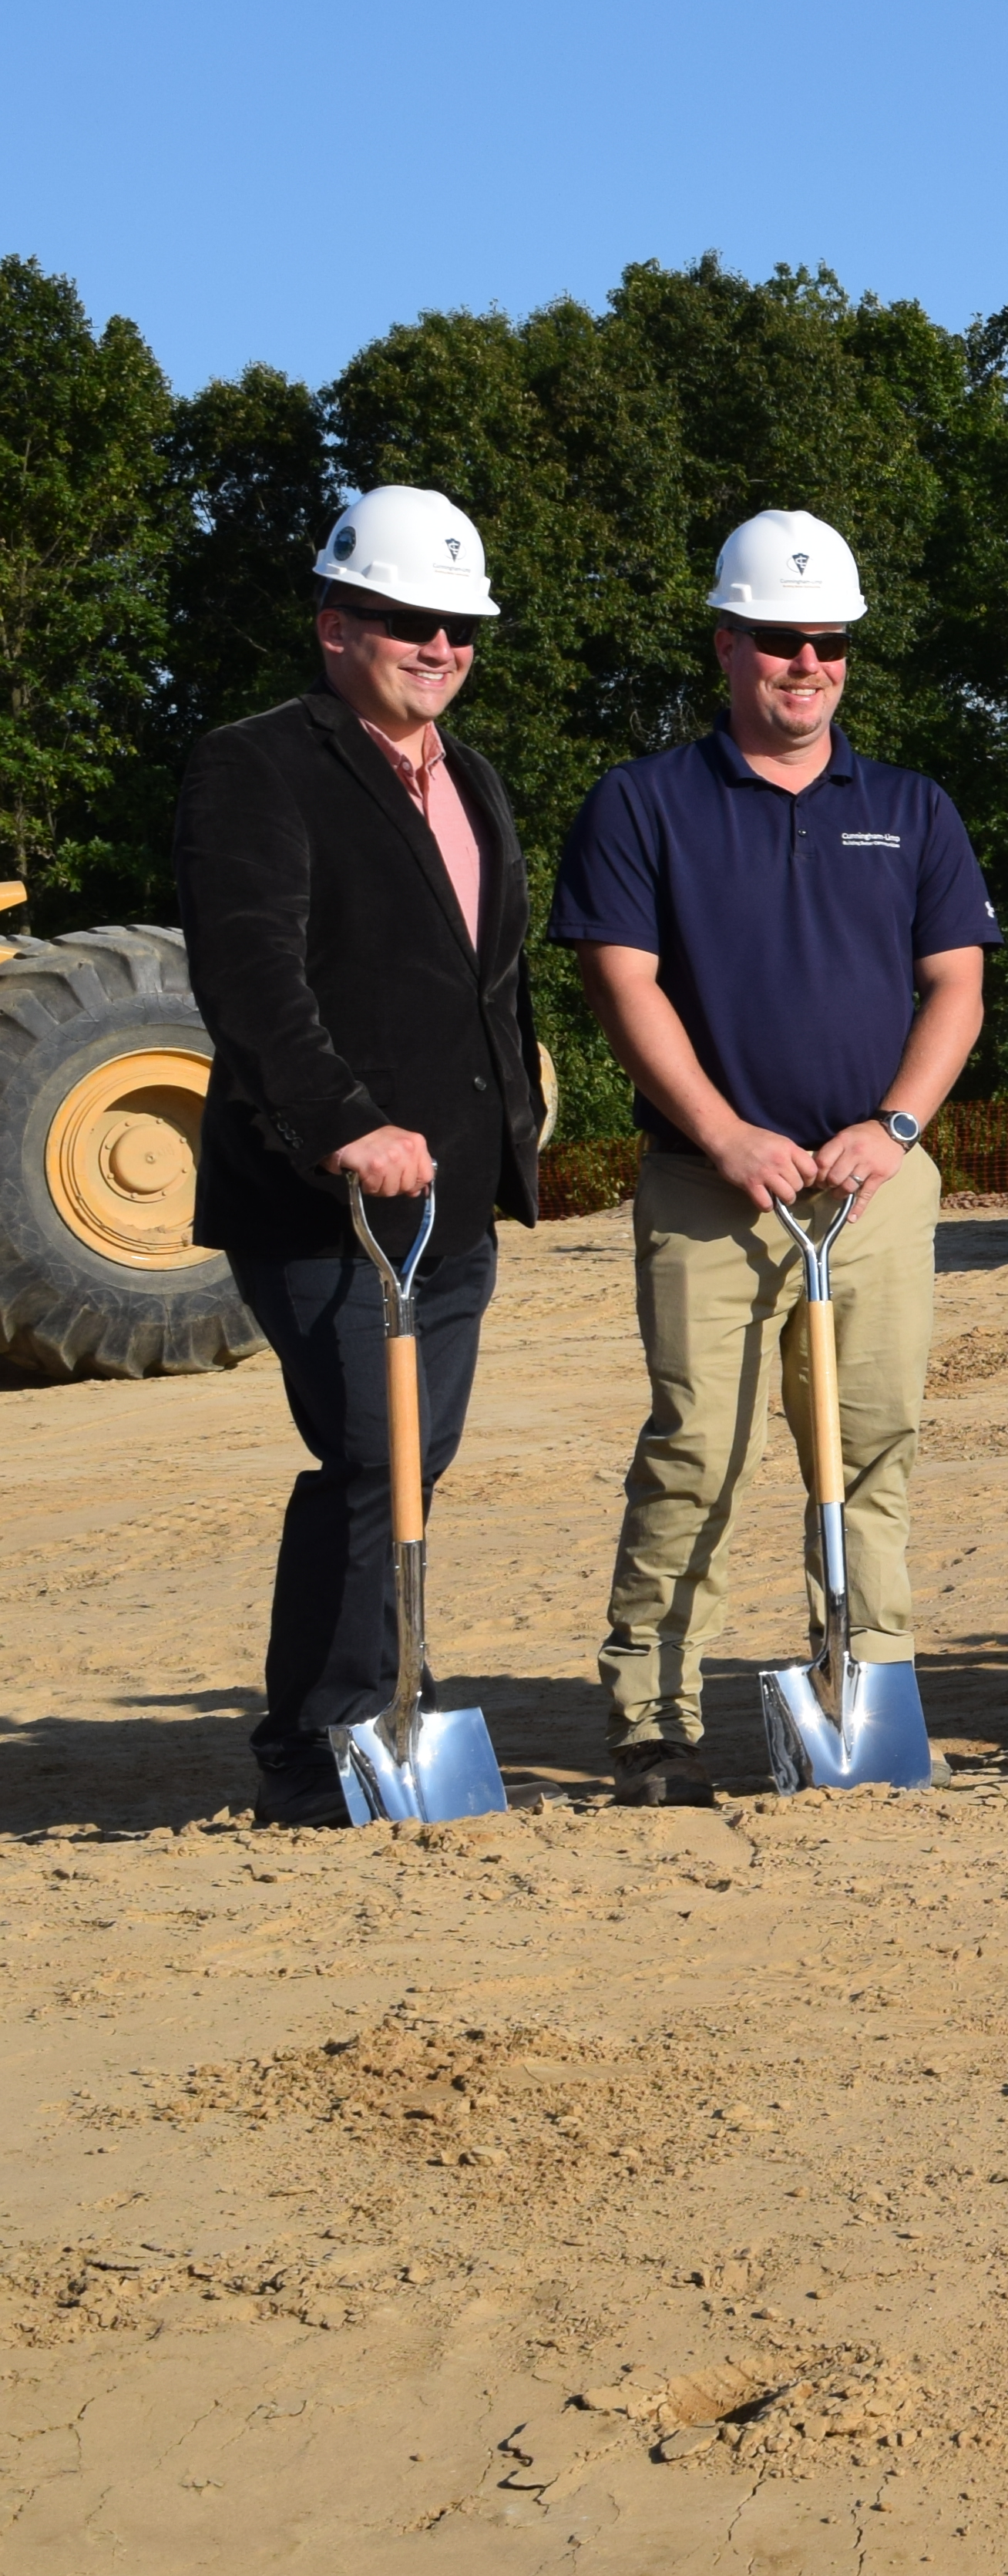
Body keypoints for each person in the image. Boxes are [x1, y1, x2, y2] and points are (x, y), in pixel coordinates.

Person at [549, 511, 996, 1806]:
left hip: (875, 1190)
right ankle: (653, 1719)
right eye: (780, 641)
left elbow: (956, 988)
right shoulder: (645, 804)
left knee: (871, 1446)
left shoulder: (911, 806)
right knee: (700, 1446)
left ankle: (870, 1684)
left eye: (831, 645)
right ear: (726, 644)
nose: (808, 665)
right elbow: (620, 983)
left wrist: (895, 1128)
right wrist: (725, 1131)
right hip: (710, 1188)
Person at [174, 488, 543, 1828]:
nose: (438, 645)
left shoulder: (474, 779)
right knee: (373, 1455)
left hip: (453, 1202)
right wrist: (341, 1122)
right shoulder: (256, 763)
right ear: (337, 625)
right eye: (408, 621)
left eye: (458, 626)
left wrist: (517, 1111)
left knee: (405, 1458)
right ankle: (326, 1739)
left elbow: (481, 977)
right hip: (323, 1196)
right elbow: (252, 970)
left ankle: (356, 1702)